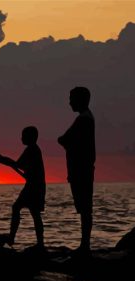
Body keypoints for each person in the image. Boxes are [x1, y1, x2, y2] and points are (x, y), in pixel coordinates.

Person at [0, 126, 46, 248]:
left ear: (30, 137)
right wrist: (1, 159)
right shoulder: (33, 149)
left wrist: (0, 159)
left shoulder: (32, 149)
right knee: (32, 213)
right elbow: (22, 166)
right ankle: (38, 243)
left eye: (24, 135)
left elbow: (18, 164)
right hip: (35, 185)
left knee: (19, 208)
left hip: (34, 186)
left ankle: (13, 238)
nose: (21, 138)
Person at [58, 87, 95, 255]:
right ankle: (84, 244)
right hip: (82, 168)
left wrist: (66, 143)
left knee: (85, 208)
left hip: (81, 170)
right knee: (84, 208)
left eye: (72, 98)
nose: (69, 102)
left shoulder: (82, 119)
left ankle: (84, 246)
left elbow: (64, 139)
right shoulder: (86, 118)